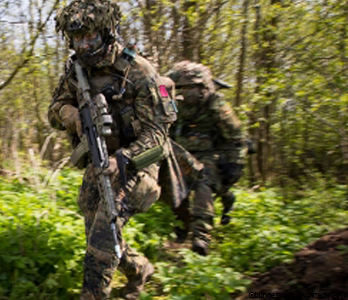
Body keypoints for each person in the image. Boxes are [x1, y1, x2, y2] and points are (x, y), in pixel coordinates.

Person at [48, 1, 200, 299]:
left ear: (106, 32)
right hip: (98, 160)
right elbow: (52, 109)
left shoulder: (139, 71)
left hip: (139, 162)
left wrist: (125, 159)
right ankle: (139, 268)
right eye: (76, 38)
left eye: (89, 36)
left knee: (102, 236)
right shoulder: (75, 70)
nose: (83, 44)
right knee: (97, 232)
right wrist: (70, 114)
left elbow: (158, 136)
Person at [166, 61, 247, 255]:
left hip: (210, 153)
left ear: (203, 87)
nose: (187, 93)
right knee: (175, 187)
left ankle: (201, 234)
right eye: (183, 88)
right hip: (180, 151)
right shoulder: (170, 100)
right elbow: (159, 88)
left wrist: (235, 164)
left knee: (204, 183)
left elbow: (236, 137)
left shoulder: (215, 104)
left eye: (192, 87)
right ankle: (183, 225)